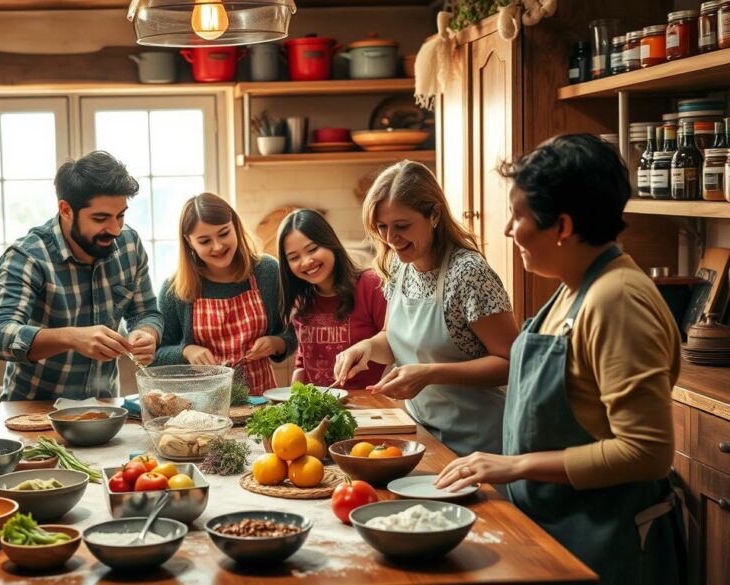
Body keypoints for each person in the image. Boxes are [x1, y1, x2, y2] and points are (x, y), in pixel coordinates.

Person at [436, 134, 685, 585]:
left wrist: (515, 465)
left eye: (518, 216)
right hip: (559, 530)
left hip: (609, 543)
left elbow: (646, 453)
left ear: (563, 226)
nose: (509, 230)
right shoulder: (572, 289)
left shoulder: (617, 300)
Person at [334, 161, 518, 456]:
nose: (391, 239)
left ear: (434, 214)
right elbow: (393, 338)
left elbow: (512, 363)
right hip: (424, 434)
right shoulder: (398, 265)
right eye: (382, 227)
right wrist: (367, 347)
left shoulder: (469, 274)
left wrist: (430, 373)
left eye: (402, 226)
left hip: (481, 443)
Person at [0, 151, 163, 400]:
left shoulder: (129, 244)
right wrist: (71, 337)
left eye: (120, 215)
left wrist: (147, 333)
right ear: (66, 210)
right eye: (100, 218)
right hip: (33, 411)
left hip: (103, 409)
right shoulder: (28, 256)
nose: (115, 229)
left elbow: (146, 312)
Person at [155, 193, 296, 394]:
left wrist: (277, 343)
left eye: (223, 233)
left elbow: (295, 331)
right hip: (200, 405)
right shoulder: (174, 289)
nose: (218, 246)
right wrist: (187, 351)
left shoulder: (267, 271)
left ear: (235, 226)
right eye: (204, 241)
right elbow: (155, 356)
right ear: (189, 242)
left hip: (260, 402)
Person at [277, 209, 387, 390]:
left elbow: (391, 341)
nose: (306, 262)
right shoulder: (300, 299)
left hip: (367, 405)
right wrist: (293, 397)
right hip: (320, 409)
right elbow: (303, 360)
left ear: (330, 243)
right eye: (294, 257)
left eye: (312, 249)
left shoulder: (370, 284)